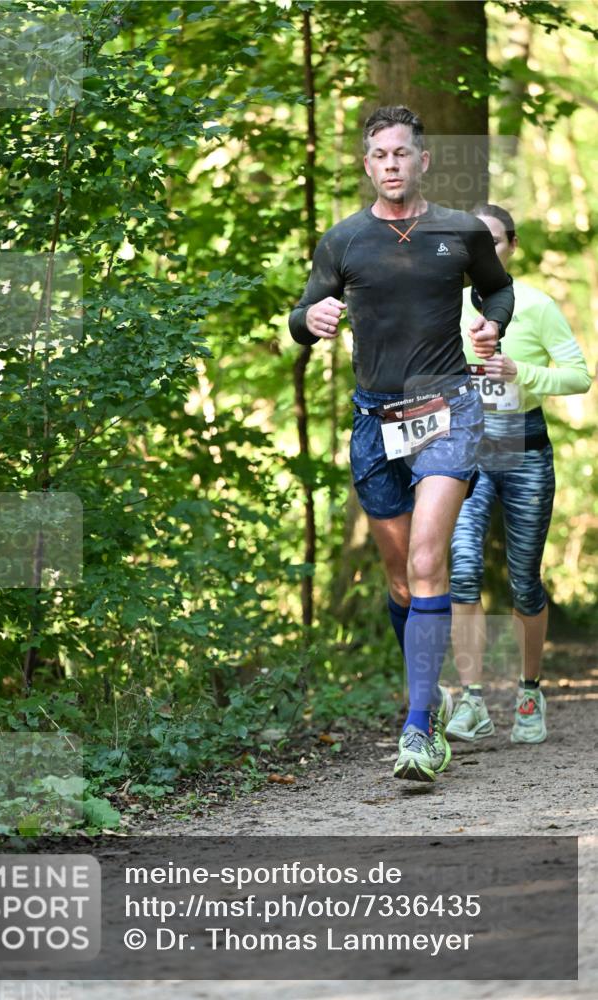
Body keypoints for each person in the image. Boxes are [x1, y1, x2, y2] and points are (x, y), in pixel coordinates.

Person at [288, 106, 514, 782]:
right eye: (379, 155)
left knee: (424, 559)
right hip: (374, 418)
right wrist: (311, 317)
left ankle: (418, 731)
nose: (391, 163)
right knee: (398, 580)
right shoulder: (343, 241)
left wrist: (490, 329)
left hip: (447, 406)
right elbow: (300, 319)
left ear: (422, 161)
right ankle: (428, 691)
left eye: (401, 153)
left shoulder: (460, 231)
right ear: (367, 166)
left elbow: (496, 292)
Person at [447, 204, 592, 744]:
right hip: (467, 448)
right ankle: (471, 701)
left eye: (495, 242)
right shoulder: (449, 303)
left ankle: (530, 689)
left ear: (512, 245)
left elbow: (579, 377)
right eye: (473, 243)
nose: (485, 252)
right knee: (462, 568)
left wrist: (518, 370)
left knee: (523, 578)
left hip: (525, 446)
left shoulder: (536, 305)